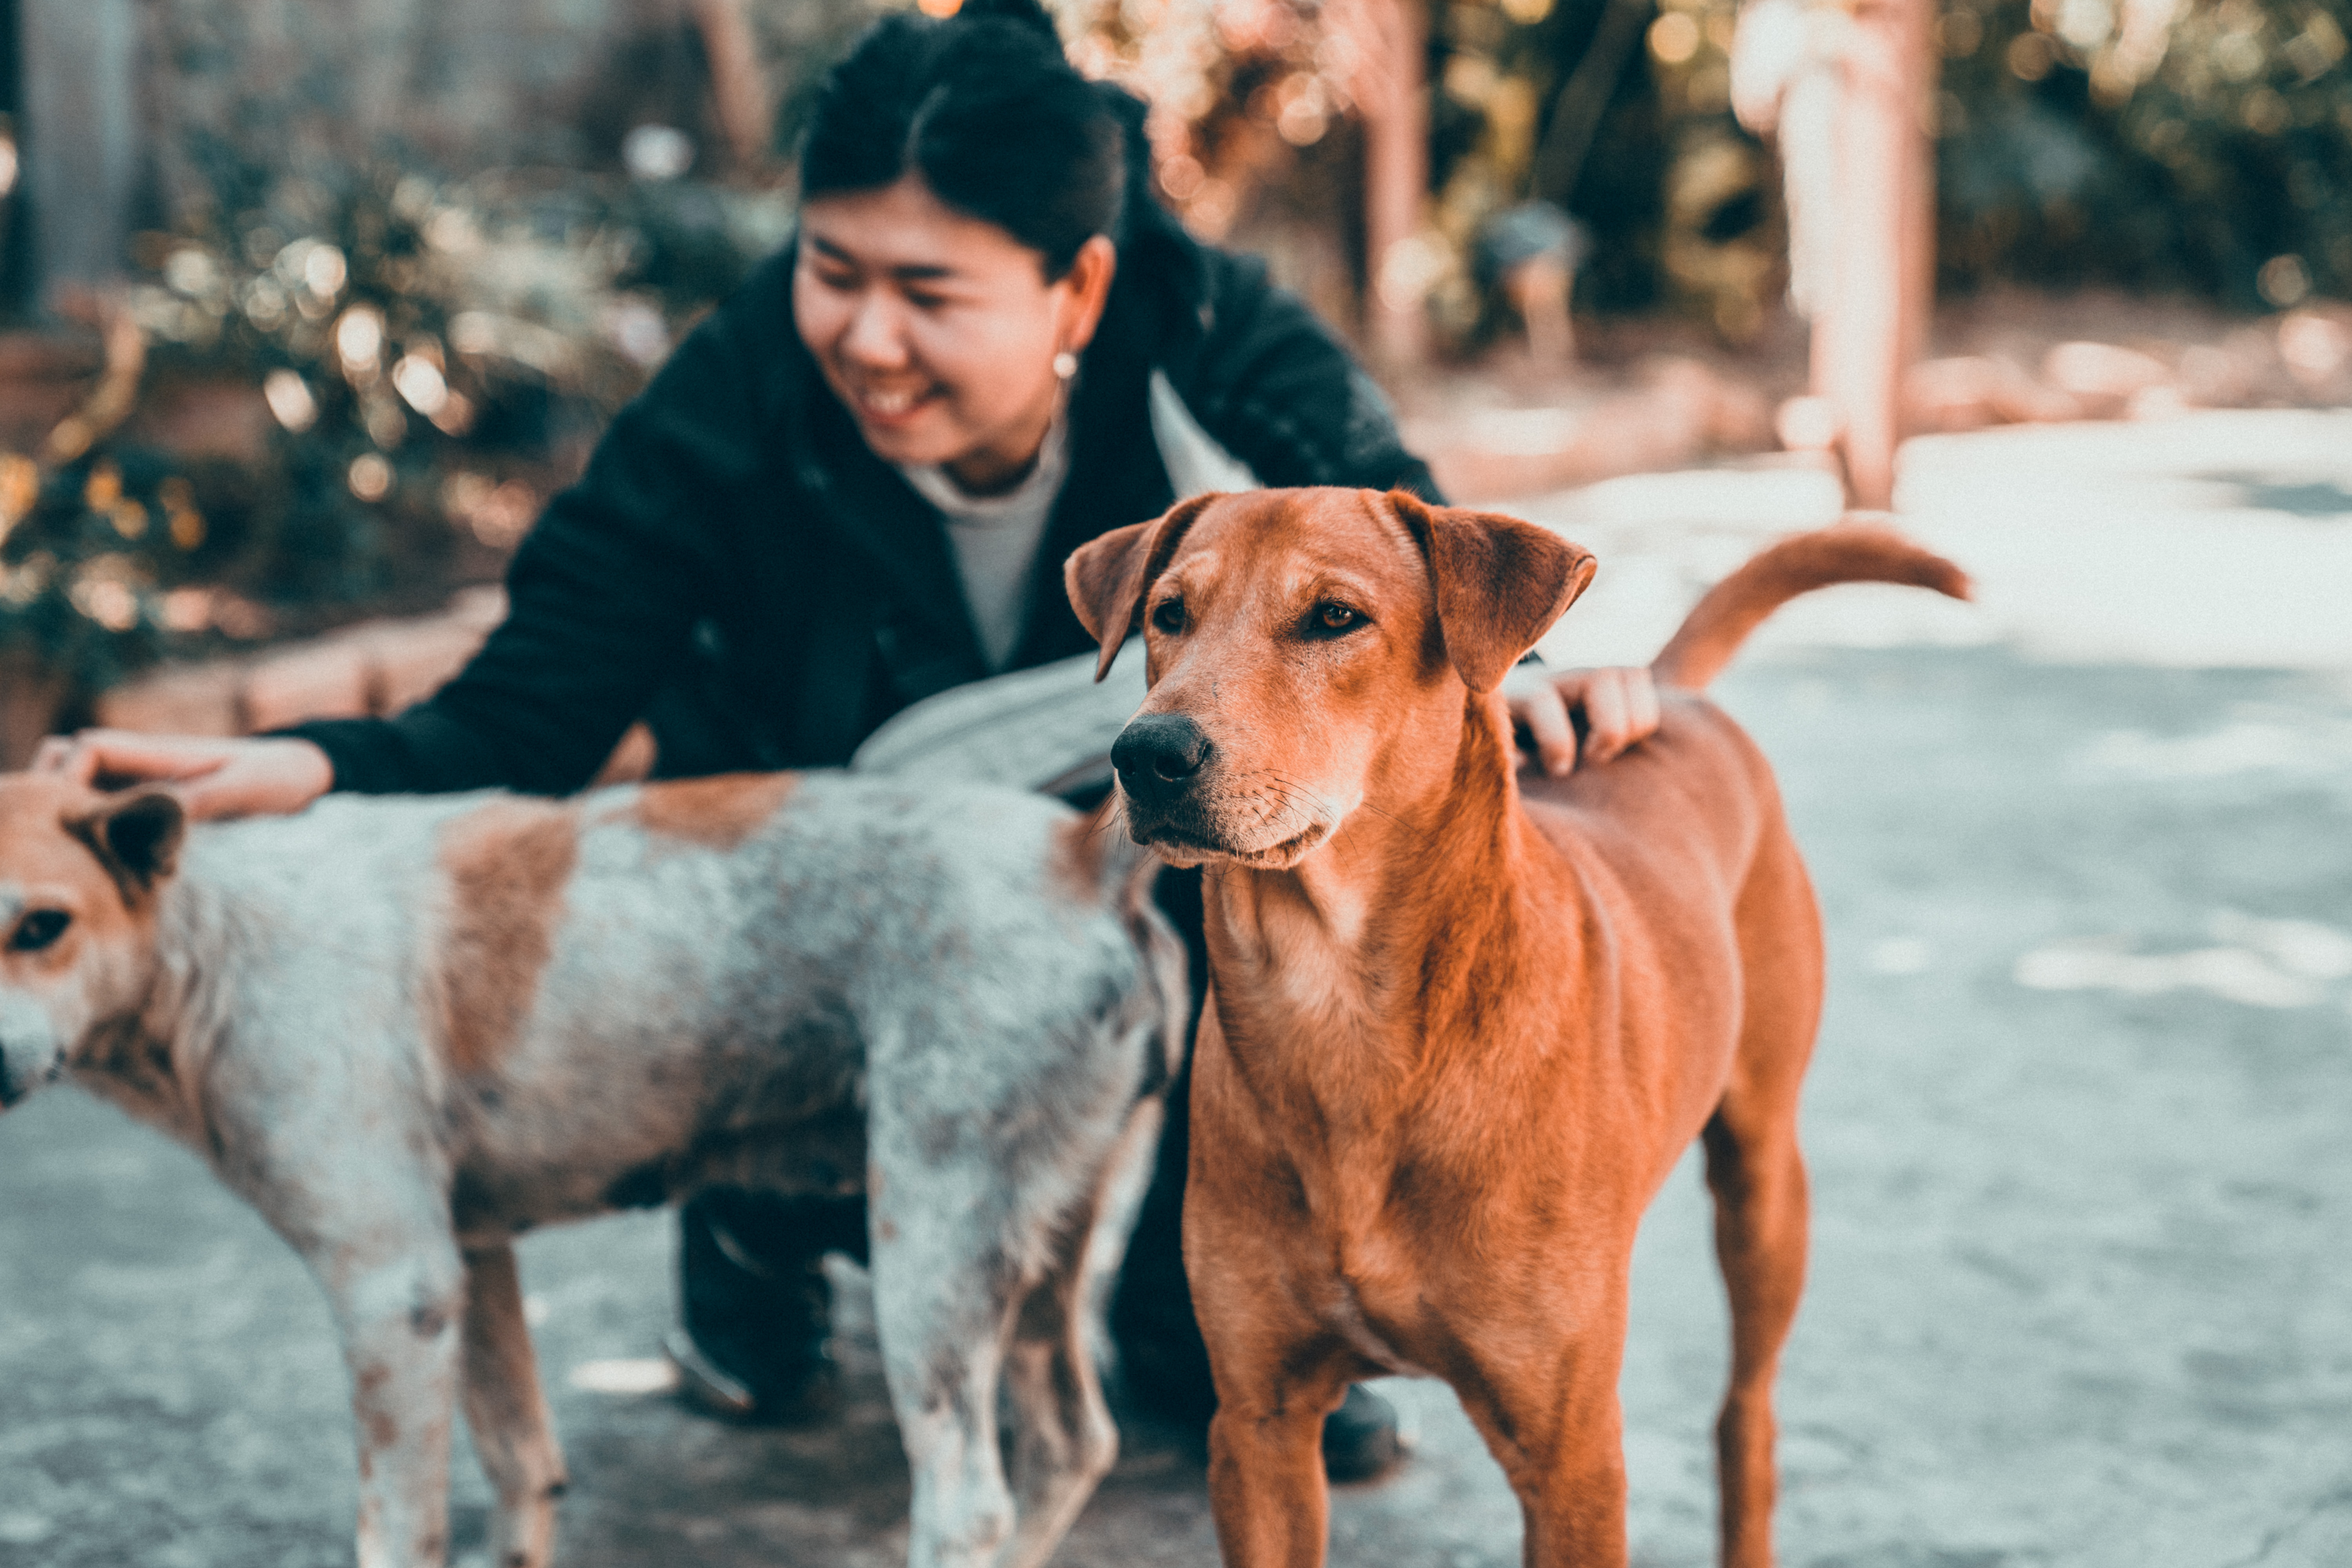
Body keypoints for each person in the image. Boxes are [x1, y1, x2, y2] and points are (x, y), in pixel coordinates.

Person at [36, 0, 1659, 1483]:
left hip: (1116, 863)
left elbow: (1395, 575)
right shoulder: (745, 380)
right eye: (834, 269)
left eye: (929, 291)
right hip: (814, 879)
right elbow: (541, 693)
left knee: (1207, 1010)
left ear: (1078, 286)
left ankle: (1209, 1287)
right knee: (736, 953)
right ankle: (752, 1219)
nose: (867, 337)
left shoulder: (1223, 348)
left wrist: (1507, 687)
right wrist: (306, 763)